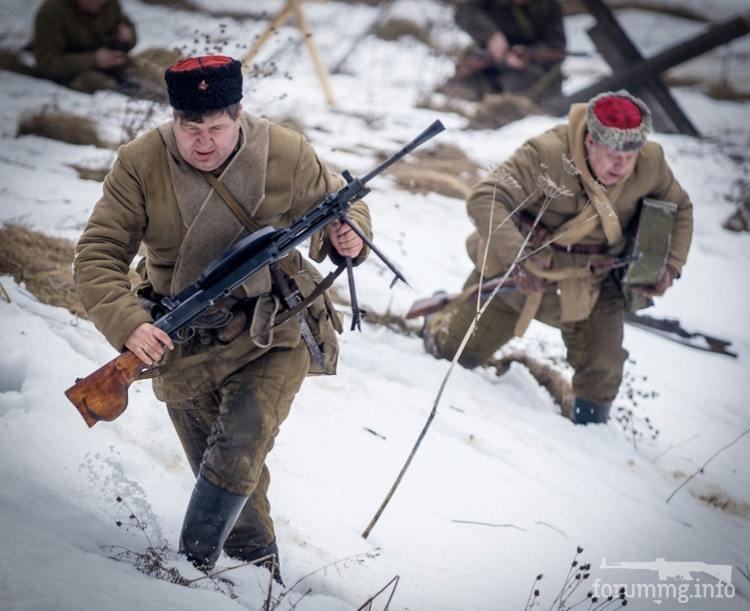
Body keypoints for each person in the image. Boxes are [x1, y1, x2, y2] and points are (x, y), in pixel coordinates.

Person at [72, 55, 371, 580]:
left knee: (239, 445)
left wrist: (348, 237)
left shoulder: (283, 150)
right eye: (191, 128)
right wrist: (129, 325)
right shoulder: (140, 163)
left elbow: (338, 206)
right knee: (221, 468)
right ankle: (251, 577)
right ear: (173, 120)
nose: (203, 142)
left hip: (272, 322)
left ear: (239, 116)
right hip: (181, 336)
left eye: (216, 128)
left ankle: (194, 566)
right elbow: (98, 253)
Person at [422, 90, 693, 425]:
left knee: (603, 370)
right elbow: (484, 197)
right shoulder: (546, 153)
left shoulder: (651, 162)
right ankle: (438, 319)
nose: (621, 166)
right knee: (455, 353)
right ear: (591, 141)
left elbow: (680, 208)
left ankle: (590, 439)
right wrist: (519, 257)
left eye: (630, 155)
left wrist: (671, 264)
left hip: (593, 282)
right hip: (522, 275)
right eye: (611, 155)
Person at [446, 0, 567, 101]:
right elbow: (464, 10)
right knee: (462, 84)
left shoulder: (550, 5)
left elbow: (556, 48)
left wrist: (528, 54)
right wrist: (491, 35)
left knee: (518, 85)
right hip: (490, 59)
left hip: (531, 70)